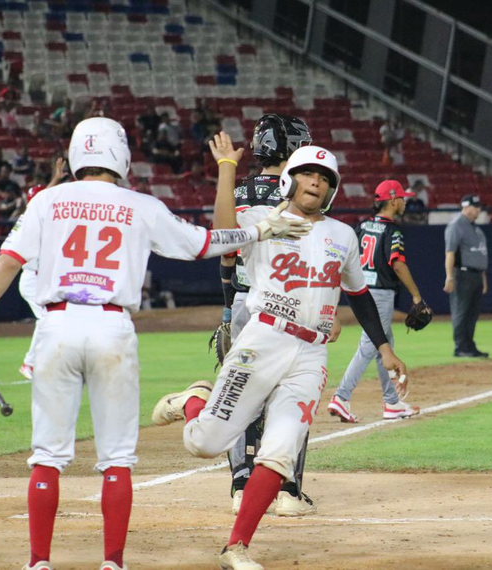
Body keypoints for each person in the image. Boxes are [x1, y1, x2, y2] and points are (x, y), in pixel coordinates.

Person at [0, 117, 309, 570]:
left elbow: (7, 263)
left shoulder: (46, 201)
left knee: (47, 456)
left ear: (78, 154)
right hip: (113, 329)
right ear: (121, 157)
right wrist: (260, 230)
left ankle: (39, 562)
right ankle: (113, 563)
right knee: (116, 459)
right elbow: (203, 243)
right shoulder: (139, 204)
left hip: (55, 328)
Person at [151, 143, 409, 570]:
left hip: (311, 353)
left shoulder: (341, 235)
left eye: (325, 179)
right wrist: (227, 169)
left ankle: (236, 548)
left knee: (281, 450)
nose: (316, 182)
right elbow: (219, 237)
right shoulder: (260, 221)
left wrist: (385, 348)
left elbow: (359, 295)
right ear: (291, 178)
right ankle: (194, 398)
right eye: (309, 173)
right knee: (204, 443)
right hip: (262, 341)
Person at [213, 115, 319, 518]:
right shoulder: (305, 191)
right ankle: (287, 486)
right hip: (293, 304)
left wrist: (227, 307)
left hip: (243, 299)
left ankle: (241, 481)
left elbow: (226, 251)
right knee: (295, 391)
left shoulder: (238, 189)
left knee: (238, 389)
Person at [328, 179, 427, 423]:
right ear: (393, 200)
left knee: (385, 342)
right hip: (380, 293)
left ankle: (392, 403)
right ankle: (341, 396)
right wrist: (416, 295)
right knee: (370, 345)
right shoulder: (393, 231)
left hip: (360, 290)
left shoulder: (361, 227)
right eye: (402, 197)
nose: (405, 201)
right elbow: (397, 263)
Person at [17, 158, 68, 381]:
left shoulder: (48, 220)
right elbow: (41, 200)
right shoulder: (30, 217)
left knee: (55, 319)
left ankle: (46, 363)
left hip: (41, 279)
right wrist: (55, 179)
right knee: (47, 320)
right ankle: (30, 363)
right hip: (31, 279)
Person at [444, 194, 489, 358]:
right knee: (461, 312)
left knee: (472, 313)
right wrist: (449, 276)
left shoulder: (475, 228)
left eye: (479, 207)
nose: (479, 210)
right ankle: (461, 347)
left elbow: (480, 256)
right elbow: (450, 253)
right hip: (462, 274)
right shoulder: (456, 226)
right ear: (466, 207)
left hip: (476, 275)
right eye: (476, 206)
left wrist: (483, 278)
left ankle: (469, 346)